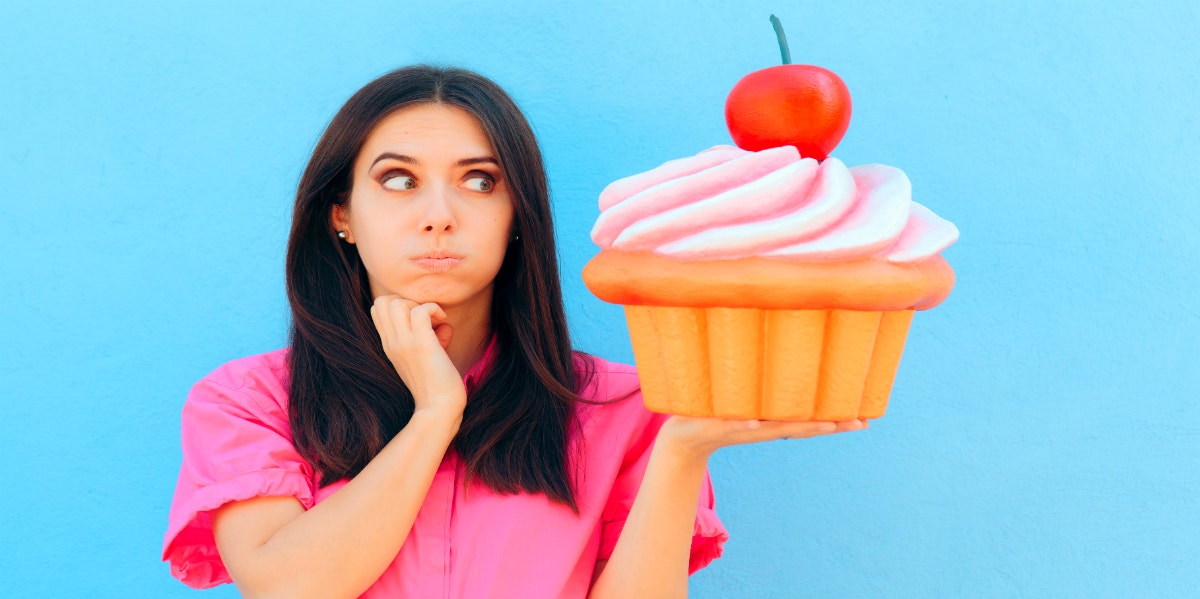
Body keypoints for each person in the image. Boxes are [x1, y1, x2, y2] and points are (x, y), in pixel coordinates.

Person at [162, 65, 866, 599]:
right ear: (340, 213)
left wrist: (682, 449)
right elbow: (291, 586)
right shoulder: (247, 400)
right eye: (399, 181)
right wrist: (435, 414)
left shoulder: (623, 411)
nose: (438, 215)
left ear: (517, 213)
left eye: (479, 181)